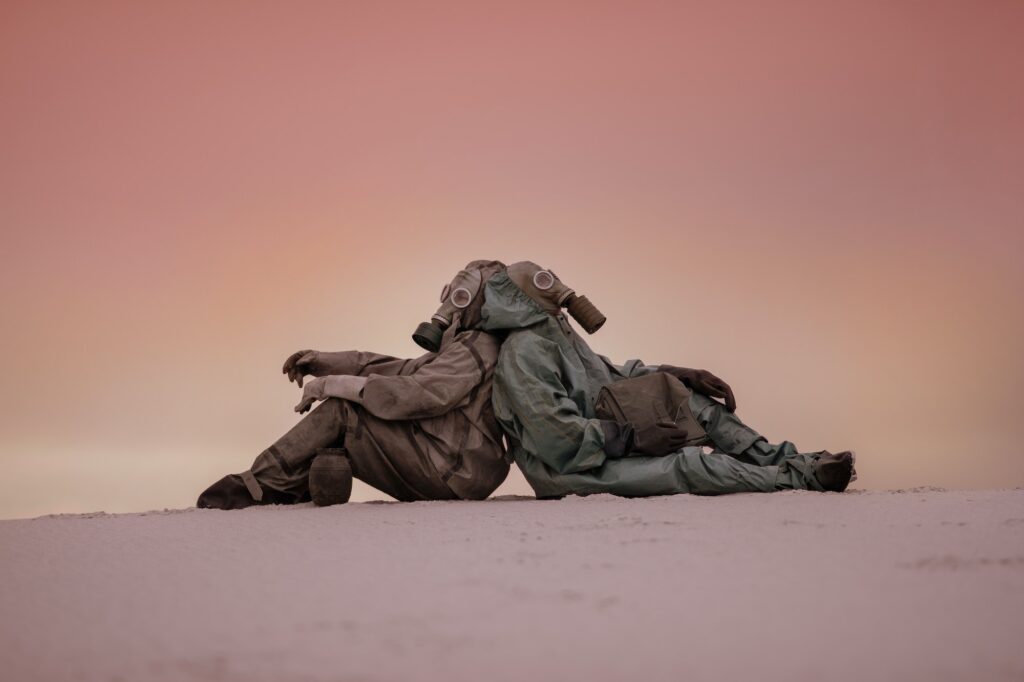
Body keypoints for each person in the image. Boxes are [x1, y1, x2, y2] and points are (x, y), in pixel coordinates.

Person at [473, 260, 855, 500]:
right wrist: (636, 440)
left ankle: (795, 461)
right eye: (542, 281)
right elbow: (554, 435)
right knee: (687, 465)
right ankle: (801, 480)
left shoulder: (556, 333)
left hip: (607, 444)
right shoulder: (523, 352)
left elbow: (609, 376)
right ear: (521, 297)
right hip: (569, 470)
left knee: (698, 407)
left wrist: (681, 375)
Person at [196, 260, 510, 509]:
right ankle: (287, 486)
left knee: (344, 412)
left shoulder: (477, 347)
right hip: (457, 468)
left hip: (453, 471)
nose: (450, 304)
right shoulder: (468, 342)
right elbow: (403, 370)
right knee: (349, 416)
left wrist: (333, 386)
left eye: (461, 294)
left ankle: (260, 485)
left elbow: (416, 394)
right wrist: (324, 362)